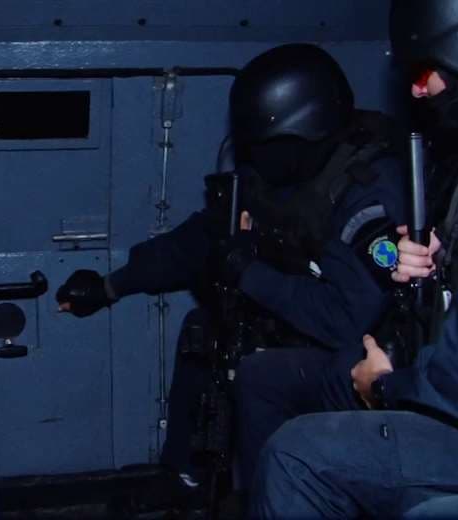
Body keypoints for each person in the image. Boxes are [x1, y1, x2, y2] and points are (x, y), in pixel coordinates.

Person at [57, 43, 408, 490]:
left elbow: (347, 317)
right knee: (205, 329)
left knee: (262, 377)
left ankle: (268, 494)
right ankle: (186, 477)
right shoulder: (276, 175)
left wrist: (249, 274)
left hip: (359, 351)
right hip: (294, 318)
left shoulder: (369, 192)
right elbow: (202, 239)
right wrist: (110, 285)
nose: (260, 156)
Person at [251, 1, 458, 517]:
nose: (416, 92)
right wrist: (444, 263)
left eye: (423, 73)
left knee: (296, 455)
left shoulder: (374, 184)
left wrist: (386, 385)